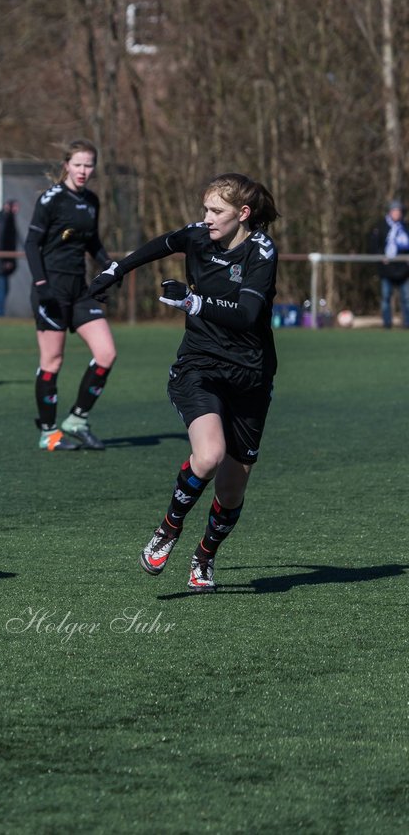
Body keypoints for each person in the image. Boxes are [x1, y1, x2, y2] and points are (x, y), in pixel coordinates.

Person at [88, 172, 280, 593]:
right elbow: (159, 245)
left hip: (250, 375)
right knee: (208, 456)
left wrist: (193, 301)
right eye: (205, 209)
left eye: (217, 211)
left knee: (231, 489)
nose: (206, 218)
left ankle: (205, 556)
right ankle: (168, 529)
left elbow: (247, 314)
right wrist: (115, 270)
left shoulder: (262, 252)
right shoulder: (199, 236)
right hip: (199, 366)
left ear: (243, 214)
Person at [23, 139, 116, 452]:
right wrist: (40, 285)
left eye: (89, 165)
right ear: (66, 165)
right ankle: (48, 433)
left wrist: (109, 266)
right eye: (78, 164)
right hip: (51, 291)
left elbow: (92, 242)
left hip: (80, 290)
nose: (83, 170)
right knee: (53, 360)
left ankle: (77, 419)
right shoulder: (51, 199)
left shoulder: (91, 200)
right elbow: (31, 244)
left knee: (106, 353)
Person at [368, 198, 409, 328]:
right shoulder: (380, 227)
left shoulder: (405, 228)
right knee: (386, 298)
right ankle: (387, 325)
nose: (397, 214)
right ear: (390, 212)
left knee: (407, 299)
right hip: (386, 270)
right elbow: (374, 246)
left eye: (399, 211)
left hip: (404, 270)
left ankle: (407, 324)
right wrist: (381, 257)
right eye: (395, 211)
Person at [0, 199, 20, 317]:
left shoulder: (7, 219)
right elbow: (1, 242)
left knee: (3, 288)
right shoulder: (5, 221)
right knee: (1, 289)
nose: (17, 210)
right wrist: (6, 260)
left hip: (1, 260)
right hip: (1, 261)